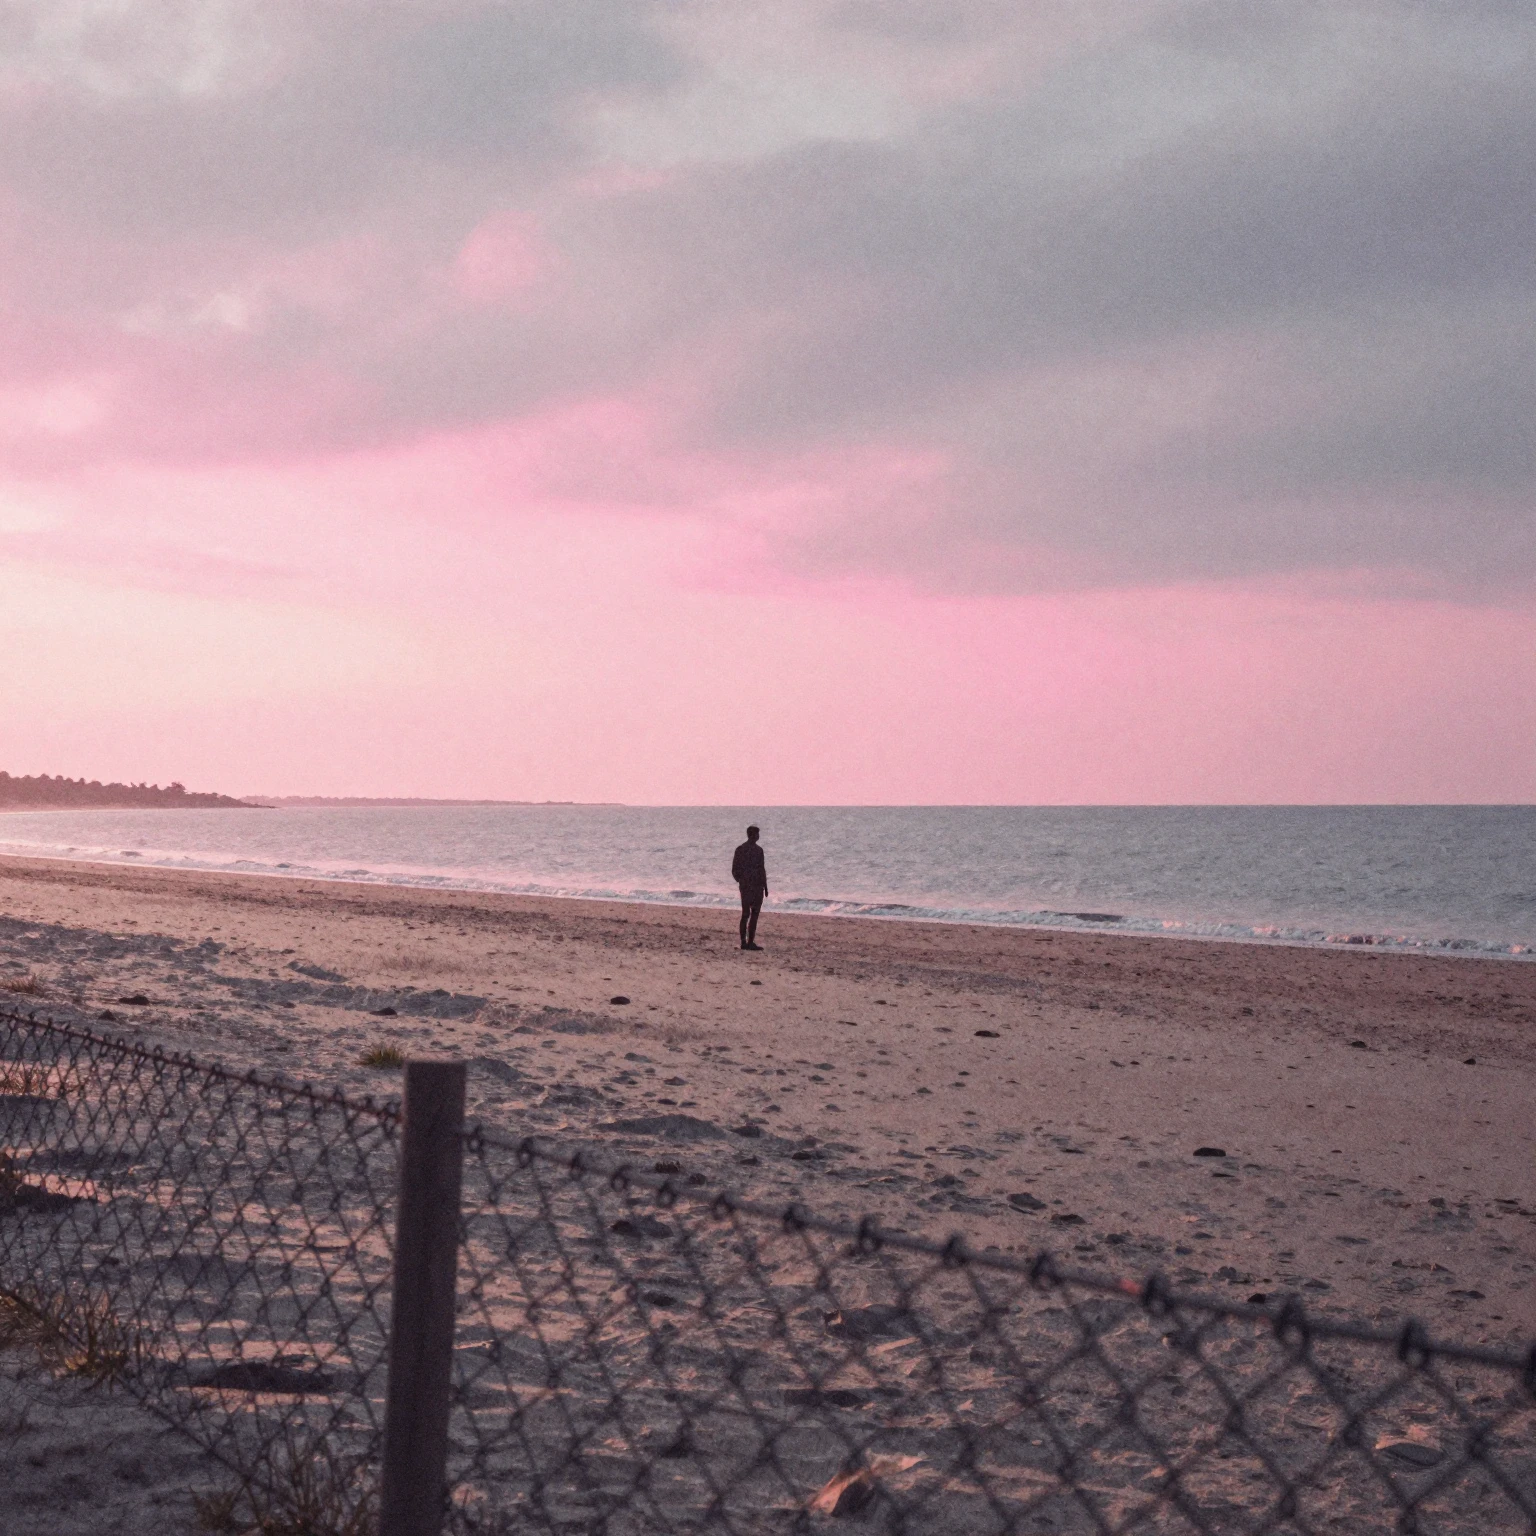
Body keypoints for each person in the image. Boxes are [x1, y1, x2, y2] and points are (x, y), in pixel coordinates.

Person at [731, 824, 768, 951]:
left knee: (754, 914)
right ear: (751, 835)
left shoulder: (759, 850)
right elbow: (735, 869)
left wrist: (765, 886)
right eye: (757, 834)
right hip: (748, 886)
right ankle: (744, 942)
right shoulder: (741, 849)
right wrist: (741, 881)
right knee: (747, 913)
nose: (758, 836)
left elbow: (762, 869)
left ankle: (750, 942)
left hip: (757, 887)